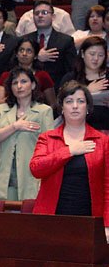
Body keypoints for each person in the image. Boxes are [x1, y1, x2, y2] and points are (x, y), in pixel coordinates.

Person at [30, 81, 109, 241]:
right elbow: (36, 169)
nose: (75, 106)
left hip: (90, 219)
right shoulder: (47, 137)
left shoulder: (103, 141)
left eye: (80, 101)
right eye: (69, 101)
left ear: (88, 108)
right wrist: (70, 151)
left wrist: (107, 224)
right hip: (52, 218)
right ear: (62, 108)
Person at [0, 67, 54, 200]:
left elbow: (50, 146)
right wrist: (15, 126)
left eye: (24, 81)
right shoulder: (3, 109)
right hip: (4, 174)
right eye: (14, 83)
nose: (19, 86)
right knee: (4, 218)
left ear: (33, 85)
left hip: (30, 173)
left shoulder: (44, 111)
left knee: (28, 217)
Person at [23, 1, 78, 91]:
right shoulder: (24, 40)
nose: (40, 16)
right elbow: (15, 65)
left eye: (44, 13)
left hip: (57, 89)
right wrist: (36, 57)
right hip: (28, 89)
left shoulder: (66, 41)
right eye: (36, 13)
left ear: (53, 17)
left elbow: (71, 70)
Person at [60, 36, 109, 133]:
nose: (96, 58)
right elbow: (60, 104)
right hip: (78, 129)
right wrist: (87, 91)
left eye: (100, 55)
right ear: (82, 54)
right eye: (92, 54)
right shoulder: (71, 78)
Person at [0, 37, 56, 107]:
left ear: (35, 56)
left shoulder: (43, 76)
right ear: (16, 54)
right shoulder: (6, 76)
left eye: (29, 51)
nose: (24, 54)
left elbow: (52, 104)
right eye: (21, 50)